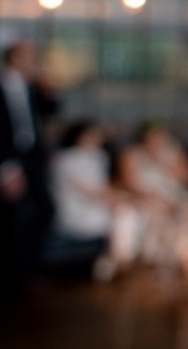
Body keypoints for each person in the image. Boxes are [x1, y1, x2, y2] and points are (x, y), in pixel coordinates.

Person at [0, 40, 59, 302]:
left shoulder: (31, 88)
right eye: (30, 57)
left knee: (43, 211)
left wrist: (50, 90)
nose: (34, 63)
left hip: (32, 159)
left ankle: (27, 274)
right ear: (14, 59)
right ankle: (8, 278)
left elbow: (50, 112)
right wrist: (5, 169)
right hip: (3, 160)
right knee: (6, 220)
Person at [50, 119, 142, 281]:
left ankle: (113, 263)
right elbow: (89, 190)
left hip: (99, 203)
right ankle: (119, 263)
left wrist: (120, 197)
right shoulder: (65, 159)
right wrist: (117, 198)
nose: (95, 139)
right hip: (77, 208)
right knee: (125, 215)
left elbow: (104, 186)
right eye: (90, 135)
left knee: (130, 212)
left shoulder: (98, 156)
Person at [118, 121, 188, 278]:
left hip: (175, 195)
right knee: (159, 214)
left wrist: (164, 163)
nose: (158, 140)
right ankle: (158, 261)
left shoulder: (173, 151)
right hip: (147, 197)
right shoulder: (131, 154)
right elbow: (129, 183)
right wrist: (154, 196)